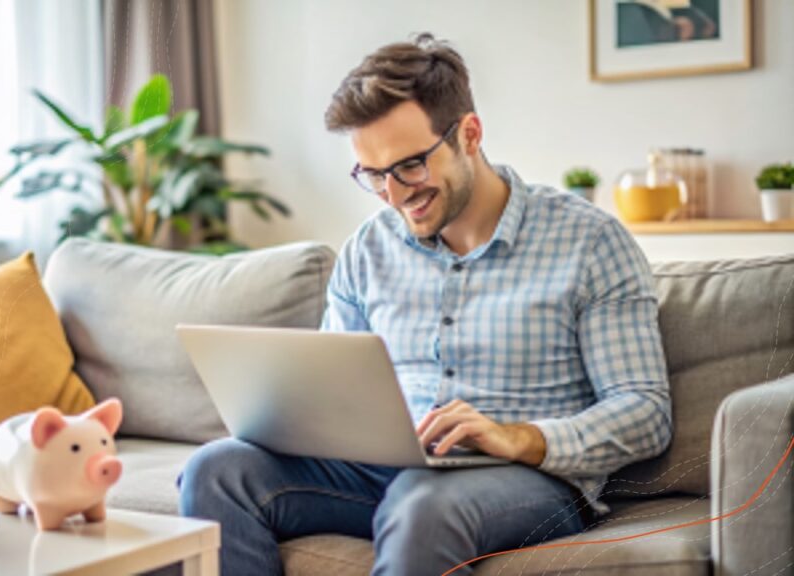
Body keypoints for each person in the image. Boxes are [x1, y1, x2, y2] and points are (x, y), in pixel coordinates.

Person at [178, 33, 673, 576]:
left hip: (523, 481)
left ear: (470, 134)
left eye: (409, 166)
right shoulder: (368, 250)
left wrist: (519, 437)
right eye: (372, 175)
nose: (393, 194)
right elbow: (327, 394)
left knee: (421, 505)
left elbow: (645, 411)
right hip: (385, 470)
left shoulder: (591, 241)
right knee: (217, 469)